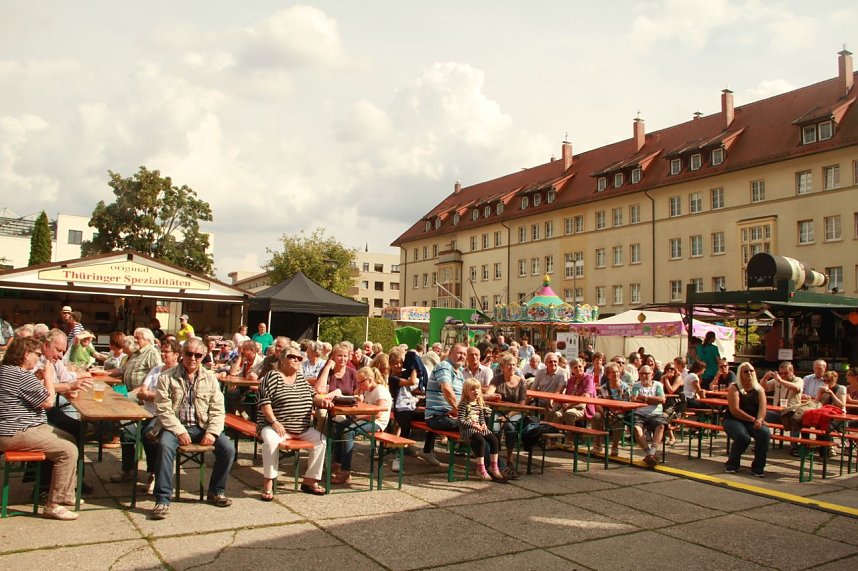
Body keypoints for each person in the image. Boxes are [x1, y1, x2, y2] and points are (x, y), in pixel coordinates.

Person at [150, 338, 235, 520]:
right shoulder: (166, 377)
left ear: (204, 356)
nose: (193, 358)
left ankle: (216, 491)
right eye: (189, 353)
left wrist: (212, 432)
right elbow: (163, 409)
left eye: (198, 355)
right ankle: (163, 499)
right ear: (182, 354)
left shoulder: (210, 378)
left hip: (202, 426)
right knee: (164, 447)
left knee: (228, 448)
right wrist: (179, 430)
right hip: (174, 427)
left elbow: (218, 409)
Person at [0, 337, 79, 520]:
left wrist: (39, 378)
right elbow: (49, 401)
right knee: (68, 450)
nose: (39, 357)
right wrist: (48, 376)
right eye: (37, 354)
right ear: (26, 354)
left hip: (16, 428)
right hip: (17, 431)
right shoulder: (20, 375)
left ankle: (66, 494)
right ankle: (54, 505)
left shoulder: (6, 370)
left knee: (71, 437)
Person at [110, 339, 181, 491]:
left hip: (161, 416)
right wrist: (149, 394)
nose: (162, 354)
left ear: (176, 355)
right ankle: (127, 470)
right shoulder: (156, 369)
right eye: (162, 350)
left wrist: (149, 394)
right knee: (127, 432)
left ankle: (153, 474)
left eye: (166, 352)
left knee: (149, 436)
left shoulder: (178, 374)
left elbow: (172, 398)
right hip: (145, 412)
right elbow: (142, 390)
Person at [256, 347, 328, 498]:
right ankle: (268, 483)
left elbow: (313, 395)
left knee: (321, 441)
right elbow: (264, 404)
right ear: (282, 359)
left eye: (299, 358)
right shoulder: (272, 376)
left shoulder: (300, 378)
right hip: (274, 426)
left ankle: (310, 481)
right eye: (292, 357)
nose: (296, 360)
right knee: (270, 442)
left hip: (301, 429)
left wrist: (323, 402)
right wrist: (274, 422)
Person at [330, 366, 392, 485]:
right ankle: (337, 462)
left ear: (369, 380)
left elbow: (378, 414)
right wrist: (358, 399)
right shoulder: (368, 390)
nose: (359, 385)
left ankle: (345, 471)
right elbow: (365, 408)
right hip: (366, 419)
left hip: (377, 423)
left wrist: (358, 417)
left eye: (360, 382)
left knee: (348, 431)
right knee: (338, 426)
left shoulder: (380, 391)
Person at [417, 343, 467, 466]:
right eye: (459, 353)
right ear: (450, 354)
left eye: (464, 354)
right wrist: (458, 410)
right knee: (471, 427)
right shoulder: (444, 366)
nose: (462, 356)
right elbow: (446, 389)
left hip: (447, 414)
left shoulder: (460, 373)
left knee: (479, 424)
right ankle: (488, 465)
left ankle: (427, 450)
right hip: (437, 417)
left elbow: (464, 394)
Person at [723, 362, 770, 477]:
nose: (749, 373)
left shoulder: (759, 389)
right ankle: (732, 464)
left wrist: (759, 419)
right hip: (733, 419)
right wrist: (754, 419)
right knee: (743, 437)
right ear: (740, 374)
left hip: (753, 420)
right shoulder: (734, 388)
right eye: (745, 371)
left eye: (751, 371)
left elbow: (763, 408)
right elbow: (735, 410)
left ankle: (758, 468)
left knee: (764, 433)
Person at [457, 378, 506, 482]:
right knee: (480, 441)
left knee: (494, 440)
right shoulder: (463, 405)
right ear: (466, 392)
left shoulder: (479, 404)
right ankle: (480, 468)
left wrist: (483, 424)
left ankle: (494, 466)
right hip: (468, 429)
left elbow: (481, 418)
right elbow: (460, 421)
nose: (476, 391)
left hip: (478, 427)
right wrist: (473, 425)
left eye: (478, 389)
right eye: (473, 389)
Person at [490, 353, 528, 477]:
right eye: (508, 365)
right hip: (499, 411)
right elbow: (490, 392)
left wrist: (509, 415)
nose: (512, 367)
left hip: (515, 412)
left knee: (510, 428)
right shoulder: (497, 379)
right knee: (494, 429)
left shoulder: (521, 381)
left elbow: (522, 405)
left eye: (514, 365)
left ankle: (509, 459)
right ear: (502, 367)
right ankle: (493, 460)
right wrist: (492, 396)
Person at [630, 365, 666, 466]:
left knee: (661, 426)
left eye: (646, 373)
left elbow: (662, 400)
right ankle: (649, 453)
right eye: (641, 373)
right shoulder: (636, 385)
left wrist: (645, 398)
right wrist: (653, 400)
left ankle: (651, 453)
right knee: (636, 428)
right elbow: (634, 399)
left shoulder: (658, 385)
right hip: (640, 413)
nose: (643, 376)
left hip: (655, 414)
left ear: (652, 375)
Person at [596, 363, 632, 457]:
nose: (615, 374)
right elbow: (598, 403)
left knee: (618, 419)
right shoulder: (603, 387)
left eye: (617, 372)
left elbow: (627, 403)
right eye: (612, 372)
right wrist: (602, 412)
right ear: (608, 375)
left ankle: (615, 446)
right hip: (606, 412)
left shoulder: (624, 387)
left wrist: (617, 411)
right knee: (596, 416)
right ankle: (597, 445)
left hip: (620, 412)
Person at [556, 358, 595, 427]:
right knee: (555, 413)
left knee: (569, 414)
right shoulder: (571, 380)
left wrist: (569, 404)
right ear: (572, 370)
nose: (578, 369)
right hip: (569, 406)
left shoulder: (588, 378)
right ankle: (556, 435)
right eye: (575, 367)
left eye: (580, 366)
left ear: (583, 367)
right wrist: (565, 403)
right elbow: (567, 395)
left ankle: (570, 435)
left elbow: (586, 396)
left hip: (583, 407)